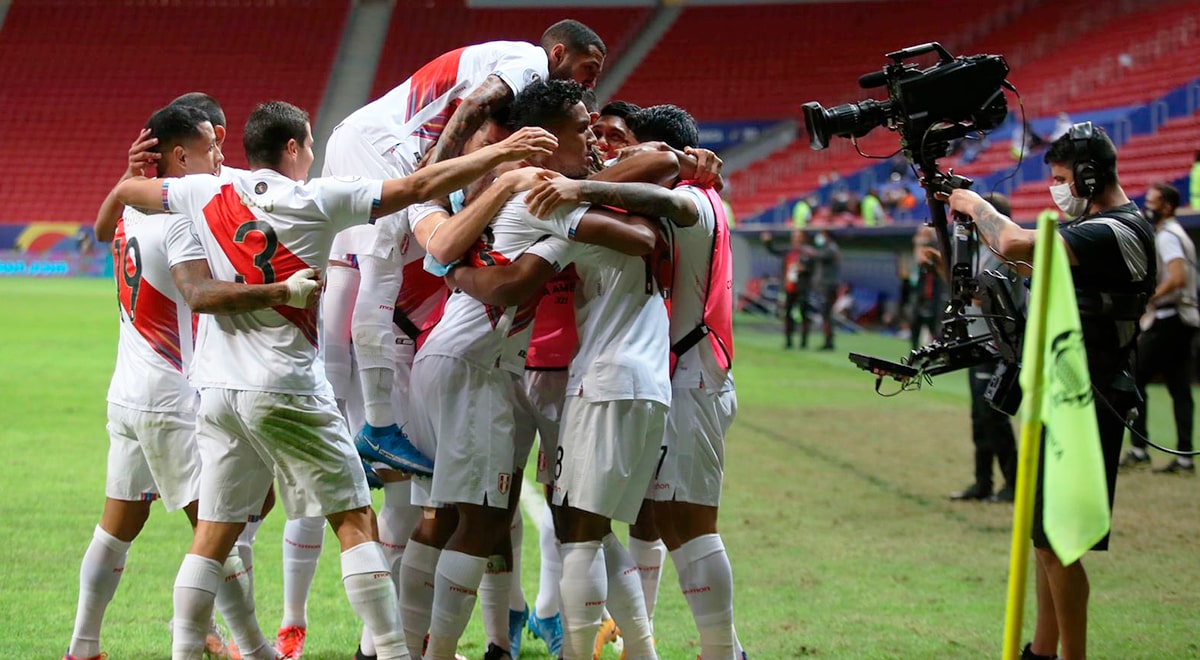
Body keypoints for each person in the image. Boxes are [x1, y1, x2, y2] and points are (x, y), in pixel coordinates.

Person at [114, 100, 554, 660]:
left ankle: (184, 652)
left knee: (214, 533)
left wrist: (135, 173)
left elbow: (130, 197)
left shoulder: (202, 191)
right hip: (285, 387)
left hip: (218, 392)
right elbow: (420, 187)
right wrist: (504, 154)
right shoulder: (317, 198)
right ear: (294, 148)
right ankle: (393, 652)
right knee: (354, 517)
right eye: (312, 147)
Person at [65, 104, 321, 660]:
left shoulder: (134, 205)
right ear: (180, 155)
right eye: (210, 147)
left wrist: (128, 176)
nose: (221, 156)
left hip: (128, 393)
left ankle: (82, 645)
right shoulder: (184, 213)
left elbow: (103, 225)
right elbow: (207, 288)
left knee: (117, 526)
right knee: (217, 534)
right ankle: (254, 649)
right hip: (172, 398)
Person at [947, 121, 1156, 660]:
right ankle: (1041, 651)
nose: (1056, 190)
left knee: (1059, 544)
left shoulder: (1115, 230)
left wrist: (975, 206)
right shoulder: (1100, 230)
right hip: (1072, 395)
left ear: (1087, 177)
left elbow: (1015, 241)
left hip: (1092, 402)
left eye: (1061, 178)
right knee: (1046, 541)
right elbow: (1024, 259)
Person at [558, 103, 742, 660]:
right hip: (684, 374)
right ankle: (672, 645)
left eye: (631, 146)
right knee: (661, 517)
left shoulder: (692, 197)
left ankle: (722, 650)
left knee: (690, 522)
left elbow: (660, 200)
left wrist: (576, 188)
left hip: (694, 377)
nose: (622, 154)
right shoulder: (707, 195)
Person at [1121, 182, 1197, 473]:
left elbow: (1176, 277)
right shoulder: (1179, 234)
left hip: (1169, 319)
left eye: (1152, 202)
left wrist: (1150, 297)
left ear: (1166, 206)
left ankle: (1139, 449)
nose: (1147, 207)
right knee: (1180, 389)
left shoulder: (1167, 236)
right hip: (1184, 319)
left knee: (1135, 379)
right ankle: (1184, 458)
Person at [949, 193, 1019, 503]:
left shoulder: (1006, 254)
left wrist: (963, 286)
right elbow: (963, 294)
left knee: (994, 416)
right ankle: (982, 482)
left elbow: (983, 297)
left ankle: (1013, 483)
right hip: (977, 342)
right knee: (979, 417)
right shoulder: (980, 252)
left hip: (997, 346)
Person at [760, 229, 812, 348]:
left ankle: (804, 342)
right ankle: (789, 341)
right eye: (794, 237)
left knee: (804, 314)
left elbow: (814, 268)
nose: (795, 239)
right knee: (787, 314)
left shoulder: (808, 252)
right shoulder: (789, 251)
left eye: (798, 236)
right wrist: (768, 242)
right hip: (789, 287)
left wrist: (804, 269)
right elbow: (774, 251)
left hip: (802, 288)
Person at [811, 229, 840, 350]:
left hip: (828, 286)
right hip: (826, 286)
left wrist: (809, 251)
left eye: (822, 235)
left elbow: (818, 256)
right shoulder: (829, 248)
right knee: (825, 314)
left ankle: (829, 342)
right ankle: (828, 340)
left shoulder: (831, 249)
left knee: (826, 314)